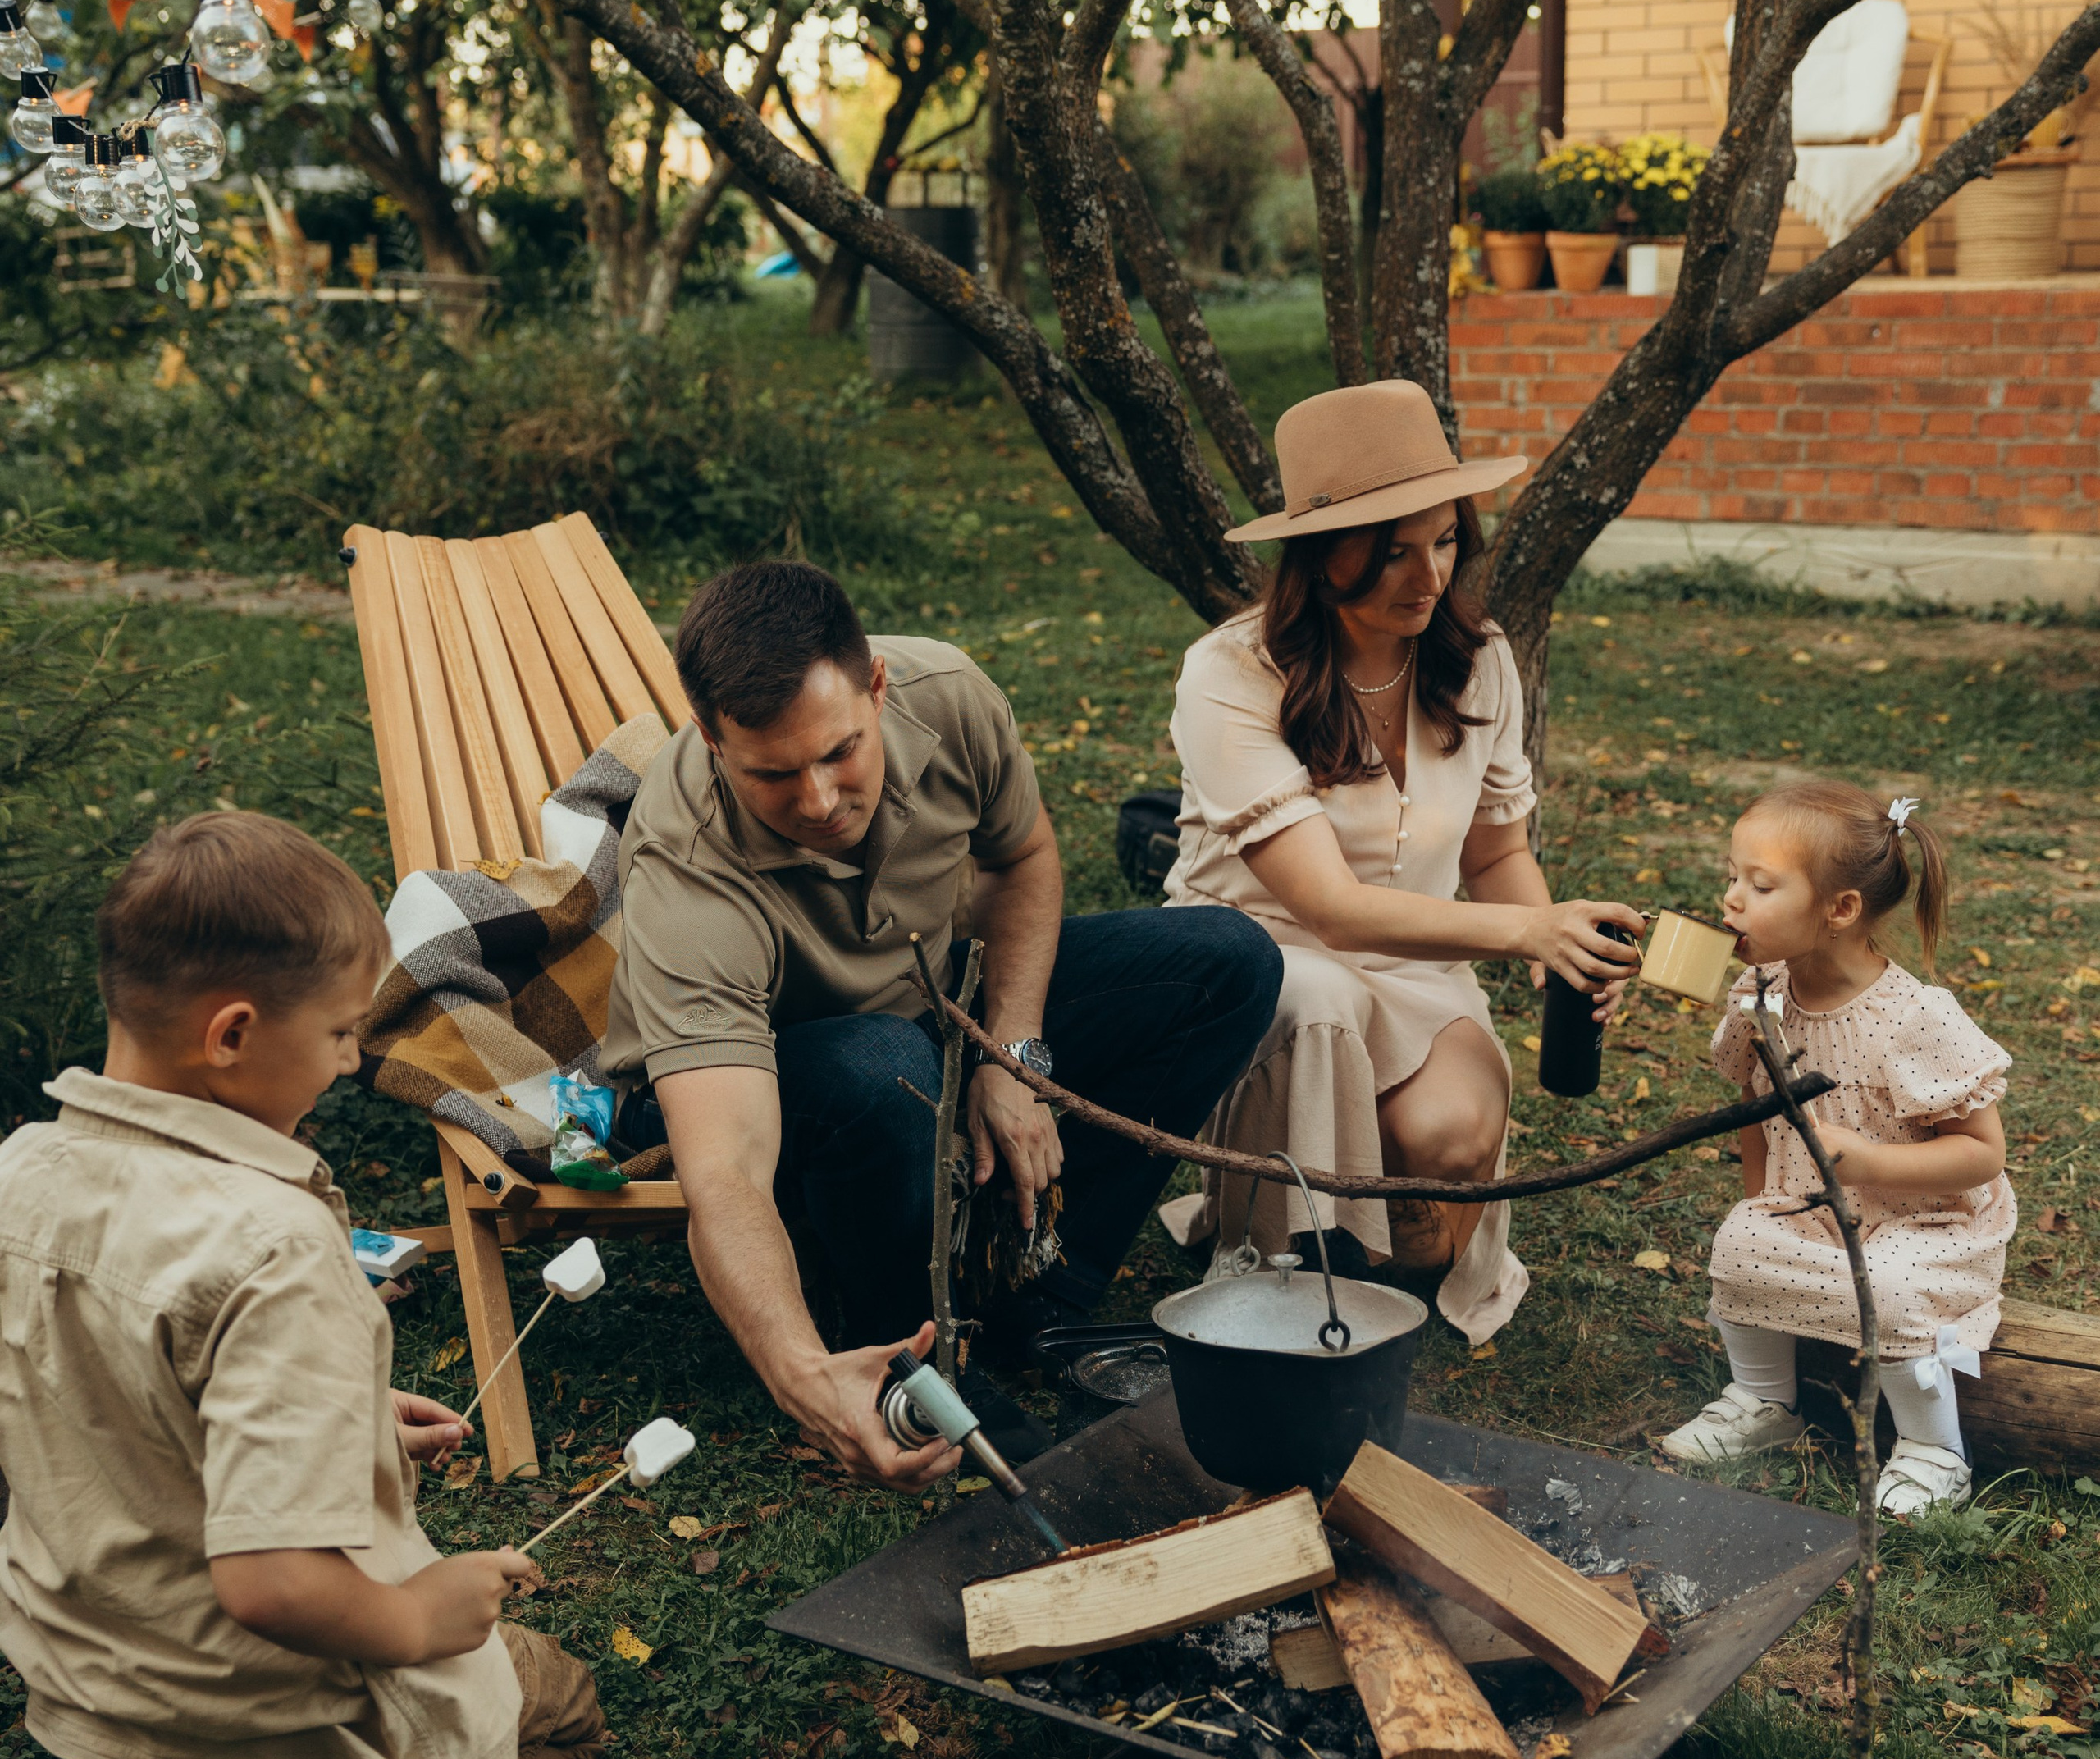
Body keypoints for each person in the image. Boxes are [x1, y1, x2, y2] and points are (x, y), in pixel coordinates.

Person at [0, 814, 608, 1759]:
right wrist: (419, 1612)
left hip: (92, 1682)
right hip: (263, 1703)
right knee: (568, 1715)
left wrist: (344, 1412)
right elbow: (274, 1583)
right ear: (233, 1036)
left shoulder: (21, 1176)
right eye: (337, 1034)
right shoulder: (277, 1246)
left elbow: (105, 1396)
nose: (346, 1065)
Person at [603, 560, 1283, 1483]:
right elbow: (724, 1174)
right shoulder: (683, 867)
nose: (817, 800)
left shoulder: (949, 695)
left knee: (1228, 963)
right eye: (772, 774)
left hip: (933, 1011)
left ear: (876, 687)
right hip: (762, 1078)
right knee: (879, 1068)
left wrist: (1012, 1055)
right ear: (710, 740)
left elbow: (1023, 855)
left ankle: (1039, 1290)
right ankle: (904, 1361)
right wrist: (805, 1381)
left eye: (839, 751)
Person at [1159, 380, 1644, 1341]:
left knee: (1453, 1139)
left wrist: (1561, 949)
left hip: (1417, 957)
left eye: (1444, 540)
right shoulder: (1230, 673)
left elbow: (1497, 847)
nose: (1428, 577)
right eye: (1391, 552)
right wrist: (1523, 931)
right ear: (1318, 554)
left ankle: (1374, 1224)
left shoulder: (1477, 658)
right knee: (1319, 996)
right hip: (1260, 956)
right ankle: (1287, 1257)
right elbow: (1330, 911)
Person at [1660, 781, 2014, 1515]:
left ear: (1840, 910)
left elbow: (1982, 1155)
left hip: (1931, 1220)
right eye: (1733, 876)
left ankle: (1933, 1448)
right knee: (1739, 1242)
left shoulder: (1913, 1019)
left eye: (1759, 885)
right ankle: (1764, 1402)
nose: (1730, 899)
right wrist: (1763, 1203)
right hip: (1819, 1203)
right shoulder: (1759, 997)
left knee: (1884, 1287)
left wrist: (1872, 1162)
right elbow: (1756, 1110)